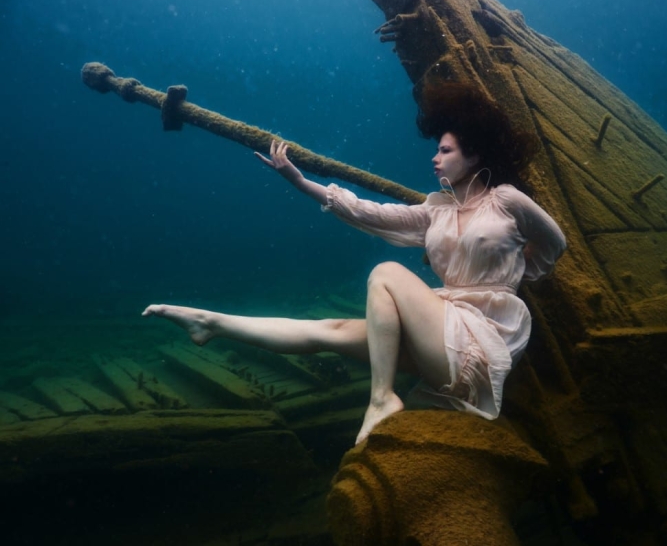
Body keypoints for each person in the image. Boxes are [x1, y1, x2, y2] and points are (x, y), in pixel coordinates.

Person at [142, 82, 567, 444]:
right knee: (332, 330)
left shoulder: (507, 200)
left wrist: (511, 277)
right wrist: (299, 181)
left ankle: (381, 398)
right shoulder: (436, 208)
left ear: (473, 156)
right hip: (442, 329)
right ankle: (211, 324)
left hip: (483, 338)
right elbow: (369, 212)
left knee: (385, 273)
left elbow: (554, 244)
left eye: (445, 150)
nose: (434, 158)